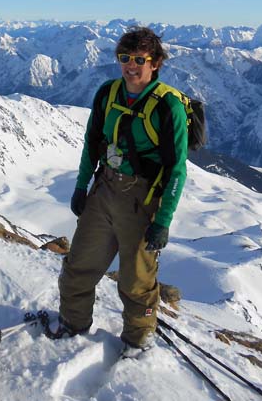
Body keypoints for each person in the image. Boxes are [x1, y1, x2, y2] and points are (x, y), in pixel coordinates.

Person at [54, 26, 188, 356]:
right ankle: (73, 324)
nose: (130, 65)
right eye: (124, 58)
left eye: (139, 59)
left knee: (137, 279)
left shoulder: (168, 106)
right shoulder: (107, 93)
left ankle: (138, 342)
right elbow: (92, 144)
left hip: (142, 199)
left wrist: (163, 220)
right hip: (105, 188)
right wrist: (81, 186)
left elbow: (177, 170)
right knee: (78, 265)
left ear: (155, 62)